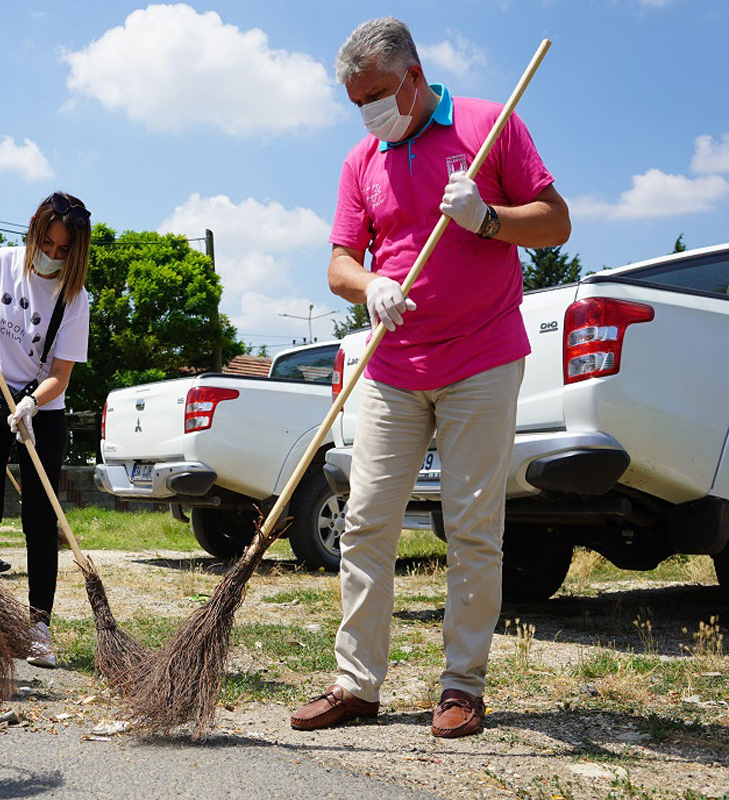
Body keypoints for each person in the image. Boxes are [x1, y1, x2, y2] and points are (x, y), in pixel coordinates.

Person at [289, 17, 570, 739]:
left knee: (474, 527)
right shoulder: (363, 160)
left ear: (414, 74)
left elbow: (554, 223)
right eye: (356, 102)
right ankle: (357, 685)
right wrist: (370, 284)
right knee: (366, 521)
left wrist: (486, 220)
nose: (368, 113)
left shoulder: (489, 123)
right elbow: (339, 262)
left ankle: (462, 687)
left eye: (377, 95)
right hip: (392, 364)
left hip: (482, 356)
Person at [0, 192, 93, 669]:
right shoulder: (0, 263)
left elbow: (62, 373)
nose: (52, 256)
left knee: (39, 518)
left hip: (42, 411)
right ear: (34, 231)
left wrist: (33, 403)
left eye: (63, 250)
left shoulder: (75, 297)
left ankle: (38, 627)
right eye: (47, 244)